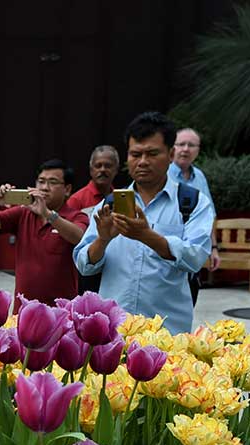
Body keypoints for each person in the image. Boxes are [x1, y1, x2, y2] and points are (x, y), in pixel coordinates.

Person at [73, 112, 214, 334]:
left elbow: (195, 257)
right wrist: (103, 240)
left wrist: (146, 236)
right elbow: (83, 263)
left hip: (168, 334)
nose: (142, 162)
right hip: (113, 332)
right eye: (135, 154)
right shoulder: (109, 205)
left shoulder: (192, 203)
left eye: (152, 153)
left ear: (170, 154)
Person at [0, 159, 90, 309]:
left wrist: (49, 214)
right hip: (24, 309)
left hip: (61, 312)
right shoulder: (24, 212)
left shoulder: (77, 216)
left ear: (67, 189)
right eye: (41, 181)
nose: (45, 187)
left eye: (52, 182)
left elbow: (79, 237)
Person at [169, 128, 220, 298]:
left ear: (197, 151)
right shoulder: (162, 174)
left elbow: (209, 214)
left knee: (190, 299)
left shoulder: (199, 176)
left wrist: (213, 248)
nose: (185, 149)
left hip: (192, 252)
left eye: (191, 145)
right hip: (166, 250)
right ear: (172, 148)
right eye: (181, 144)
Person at [66, 146, 120, 293]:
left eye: (108, 166)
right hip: (85, 270)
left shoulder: (122, 199)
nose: (102, 170)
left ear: (116, 169)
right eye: (98, 166)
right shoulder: (77, 200)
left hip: (113, 270)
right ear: (91, 170)